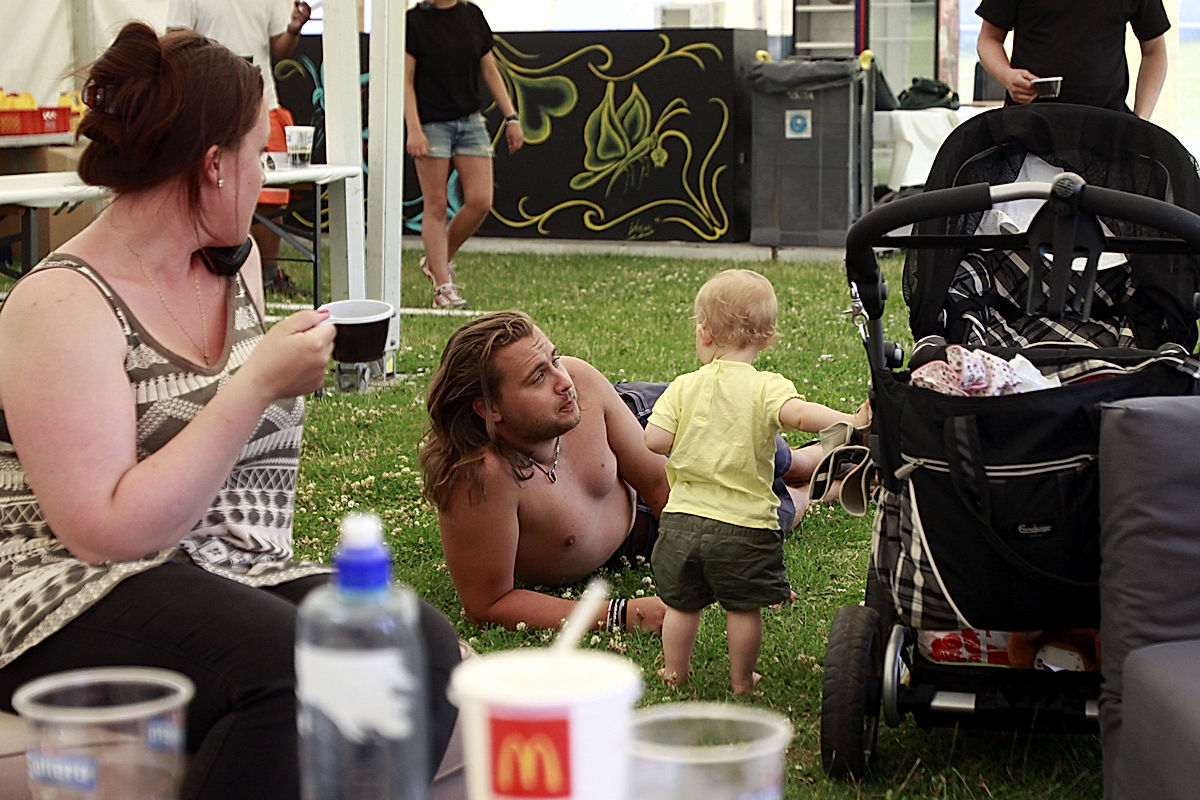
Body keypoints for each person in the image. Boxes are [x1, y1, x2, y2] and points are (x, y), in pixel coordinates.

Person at [0, 23, 460, 799]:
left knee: (422, 646)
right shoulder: (61, 304)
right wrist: (252, 388)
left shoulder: (232, 261)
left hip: (227, 566)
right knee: (292, 669)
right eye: (259, 152)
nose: (267, 172)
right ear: (214, 165)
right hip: (62, 588)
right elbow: (102, 534)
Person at [419, 310, 832, 636]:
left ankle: (813, 457)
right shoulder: (478, 478)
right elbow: (487, 604)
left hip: (639, 426)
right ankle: (821, 487)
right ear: (489, 409)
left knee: (748, 450)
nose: (563, 381)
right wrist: (621, 613)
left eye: (554, 359)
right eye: (537, 377)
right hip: (638, 532)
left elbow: (656, 482)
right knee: (777, 512)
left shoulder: (580, 384)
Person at [645, 270, 870, 694]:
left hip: (681, 523)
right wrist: (850, 422)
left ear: (705, 332)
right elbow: (801, 417)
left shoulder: (683, 386)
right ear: (767, 339)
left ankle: (674, 672)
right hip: (744, 527)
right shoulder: (767, 387)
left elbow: (654, 440)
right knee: (743, 609)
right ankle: (741, 679)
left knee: (681, 605)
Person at [167, 0, 314, 292]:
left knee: (271, 192)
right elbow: (174, 40)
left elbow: (279, 49)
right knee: (211, 190)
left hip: (263, 104)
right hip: (210, 106)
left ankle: (269, 274)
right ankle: (216, 269)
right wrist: (211, 56)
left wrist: (294, 30)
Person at [405, 0, 524, 310]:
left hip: (470, 120)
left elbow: (490, 69)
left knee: (481, 200)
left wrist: (511, 117)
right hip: (432, 124)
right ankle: (443, 285)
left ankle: (436, 262)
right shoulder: (414, 21)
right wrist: (414, 129)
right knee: (436, 204)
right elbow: (405, 81)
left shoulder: (471, 15)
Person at [975, 0, 1169, 119]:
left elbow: (1154, 51)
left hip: (1108, 131)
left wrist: (1141, 119)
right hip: (1029, 130)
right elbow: (989, 39)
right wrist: (1007, 76)